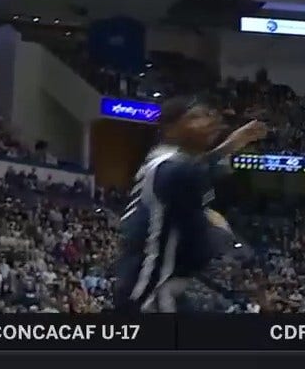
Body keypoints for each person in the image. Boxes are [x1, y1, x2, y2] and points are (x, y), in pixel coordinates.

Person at [114, 97, 267, 312]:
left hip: (148, 286)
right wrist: (223, 234)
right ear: (171, 129)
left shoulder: (164, 161)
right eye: (195, 117)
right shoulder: (174, 170)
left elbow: (196, 167)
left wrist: (229, 145)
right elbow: (192, 175)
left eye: (207, 115)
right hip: (150, 293)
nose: (207, 122)